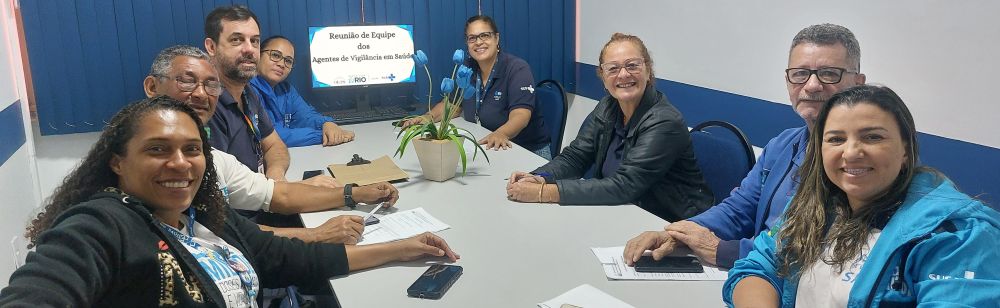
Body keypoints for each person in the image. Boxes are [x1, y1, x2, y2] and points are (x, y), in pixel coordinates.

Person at [0, 96, 459, 307]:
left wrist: (402, 249)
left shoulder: (202, 216)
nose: (180, 163)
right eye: (158, 149)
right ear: (117, 162)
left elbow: (287, 257)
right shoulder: (103, 223)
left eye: (192, 149)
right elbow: (44, 288)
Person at [725, 85, 1000, 307]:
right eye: (836, 139)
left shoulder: (958, 234)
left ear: (906, 150)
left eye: (872, 137)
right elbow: (757, 268)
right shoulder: (813, 205)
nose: (851, 152)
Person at [624, 24, 867, 268]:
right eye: (800, 73)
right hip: (754, 272)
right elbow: (739, 209)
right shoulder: (782, 145)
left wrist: (723, 251)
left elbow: (819, 252)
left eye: (829, 73)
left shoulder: (860, 164)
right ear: (788, 80)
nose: (812, 85)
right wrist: (679, 234)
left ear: (858, 83)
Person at [143, 45, 396, 244]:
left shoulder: (216, 157)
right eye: (187, 81)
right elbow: (234, 235)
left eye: (210, 85)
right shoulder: (135, 164)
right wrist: (317, 234)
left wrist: (357, 193)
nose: (200, 94)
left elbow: (276, 192)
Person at [506, 33, 713, 222]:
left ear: (648, 71)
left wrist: (544, 193)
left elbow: (624, 185)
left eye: (632, 65)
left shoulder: (665, 121)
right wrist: (540, 177)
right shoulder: (608, 106)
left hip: (670, 223)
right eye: (613, 68)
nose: (623, 74)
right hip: (622, 212)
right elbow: (576, 156)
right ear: (603, 78)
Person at [400, 15, 551, 159]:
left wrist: (501, 134)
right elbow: (452, 106)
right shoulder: (467, 68)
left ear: (496, 38)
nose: (478, 42)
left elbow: (521, 116)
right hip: (488, 145)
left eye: (484, 35)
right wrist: (427, 118)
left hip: (526, 149)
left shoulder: (517, 69)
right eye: (472, 38)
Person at [203, 5, 291, 181]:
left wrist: (275, 176)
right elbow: (222, 185)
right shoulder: (206, 102)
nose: (249, 49)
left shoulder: (248, 92)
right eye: (237, 40)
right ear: (211, 47)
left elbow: (275, 146)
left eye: (255, 41)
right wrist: (278, 191)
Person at [251, 35, 355, 147]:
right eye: (275, 55)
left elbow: (306, 116)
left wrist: (326, 123)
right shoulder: (246, 91)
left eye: (288, 61)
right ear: (258, 55)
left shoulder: (286, 91)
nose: (281, 64)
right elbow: (271, 135)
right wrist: (324, 136)